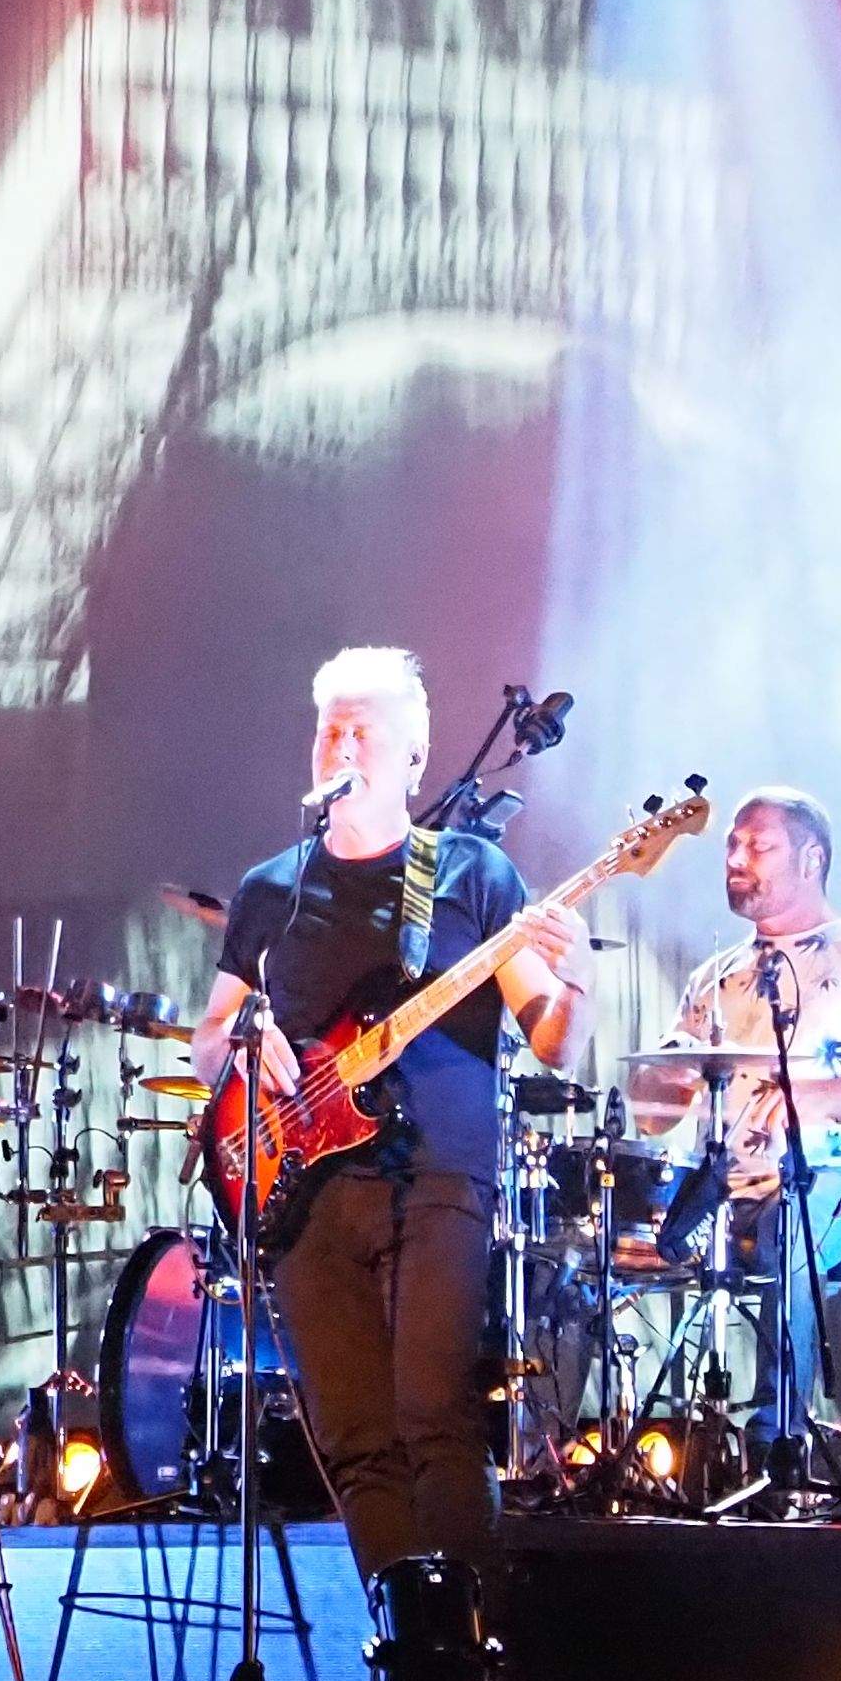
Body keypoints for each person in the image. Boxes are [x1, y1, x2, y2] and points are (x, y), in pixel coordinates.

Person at [189, 648, 586, 1604]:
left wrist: (577, 971)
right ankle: (407, 1662)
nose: (342, 743)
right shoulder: (270, 889)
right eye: (330, 727)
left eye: (364, 729)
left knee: (431, 1417)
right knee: (355, 1436)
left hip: (438, 1176)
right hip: (303, 1190)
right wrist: (243, 1038)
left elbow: (556, 1039)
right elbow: (208, 1040)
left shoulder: (471, 875)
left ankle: (472, 1658)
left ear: (414, 757)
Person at [635, 785, 841, 1459]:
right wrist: (658, 1086)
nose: (736, 857)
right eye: (731, 845)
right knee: (601, 1240)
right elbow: (654, 1111)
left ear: (810, 859)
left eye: (758, 845)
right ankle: (644, 1439)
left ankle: (781, 1429)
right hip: (726, 1189)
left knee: (795, 1221)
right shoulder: (714, 979)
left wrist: (820, 1095)